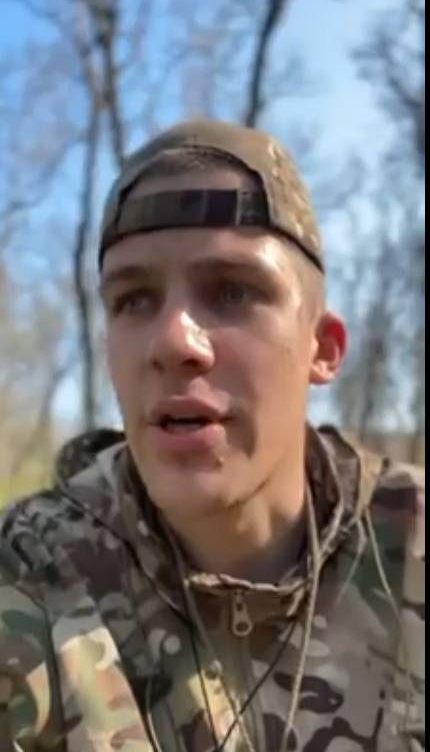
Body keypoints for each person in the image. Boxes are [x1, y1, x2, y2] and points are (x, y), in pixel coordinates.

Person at [0, 120, 424, 752]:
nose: (174, 341)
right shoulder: (30, 572)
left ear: (322, 349)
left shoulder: (411, 549)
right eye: (133, 300)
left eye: (232, 292)